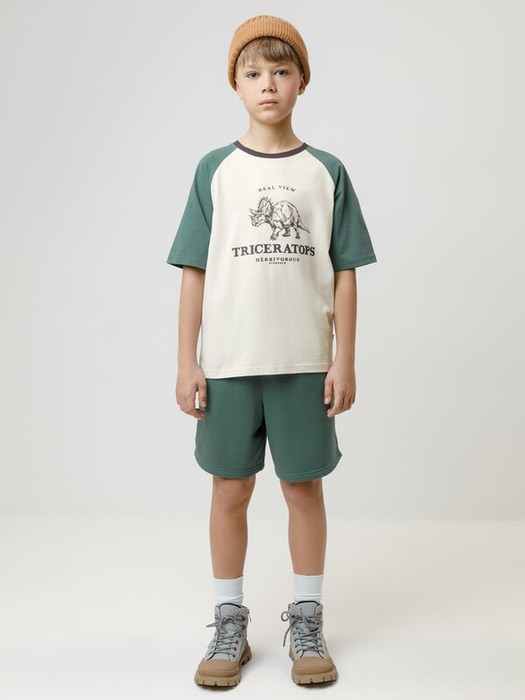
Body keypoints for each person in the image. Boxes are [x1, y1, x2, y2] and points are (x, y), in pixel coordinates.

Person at [166, 14, 378, 687]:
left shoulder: (325, 171)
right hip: (230, 363)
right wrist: (187, 361)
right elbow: (194, 270)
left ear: (301, 82)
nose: (268, 84)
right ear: (235, 83)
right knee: (229, 489)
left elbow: (345, 270)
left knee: (302, 487)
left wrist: (343, 358)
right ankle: (229, 623)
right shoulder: (215, 170)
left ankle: (307, 621)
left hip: (304, 362)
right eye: (253, 72)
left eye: (281, 71)